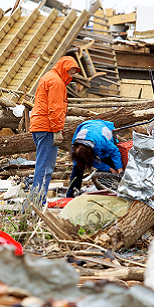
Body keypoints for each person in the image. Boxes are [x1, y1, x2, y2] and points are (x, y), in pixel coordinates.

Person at [28, 56, 80, 205]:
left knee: (42, 165)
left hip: (40, 126)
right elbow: (55, 109)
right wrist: (57, 130)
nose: (71, 75)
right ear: (64, 67)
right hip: (48, 128)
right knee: (45, 167)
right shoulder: (56, 82)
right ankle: (37, 203)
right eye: (70, 71)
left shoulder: (49, 77)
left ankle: (37, 201)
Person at [67, 119, 123, 198]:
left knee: (108, 160)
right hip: (86, 126)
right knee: (77, 167)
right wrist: (109, 169)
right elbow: (92, 161)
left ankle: (109, 191)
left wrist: (119, 169)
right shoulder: (76, 147)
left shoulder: (101, 142)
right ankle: (70, 194)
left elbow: (114, 151)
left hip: (100, 128)